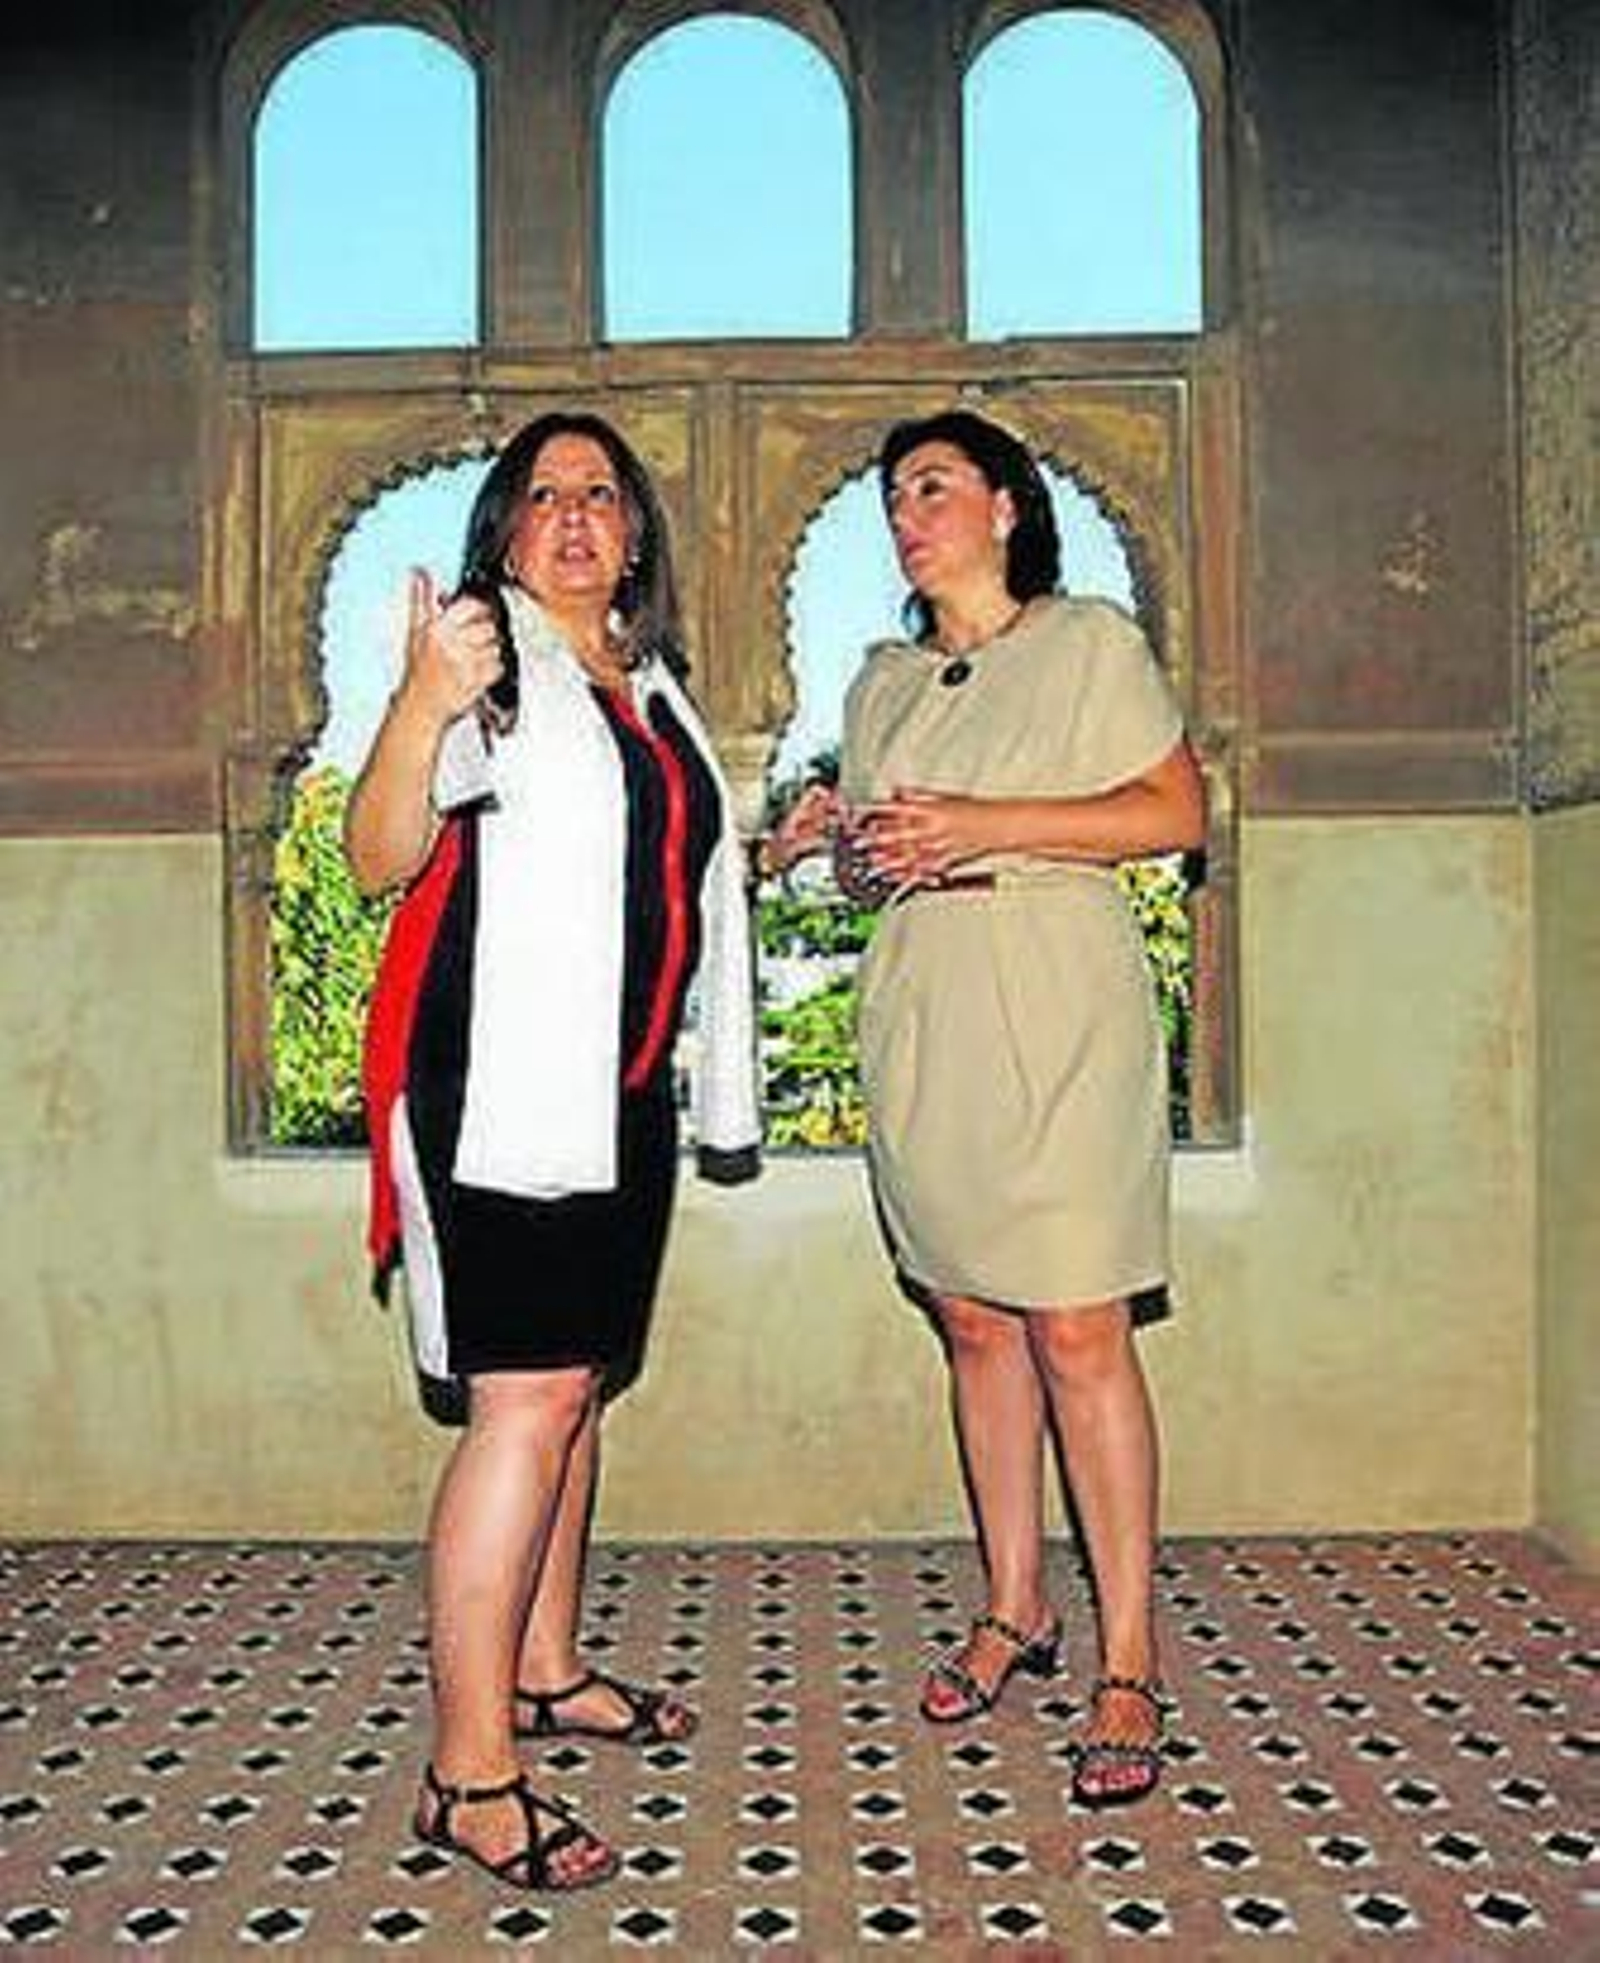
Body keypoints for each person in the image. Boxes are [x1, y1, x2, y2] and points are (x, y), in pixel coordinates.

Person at [767, 408, 1205, 1808]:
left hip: (1058, 991)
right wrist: (832, 850)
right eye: (895, 498)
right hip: (926, 1001)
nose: (908, 516)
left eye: (935, 487)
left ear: (1007, 505)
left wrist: (989, 824)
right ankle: (1017, 1605)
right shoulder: (881, 681)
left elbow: (1175, 816)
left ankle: (1129, 1658)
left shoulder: (1088, 645)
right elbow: (877, 868)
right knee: (971, 1318)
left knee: (1077, 1325)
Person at [347, 411, 760, 1890]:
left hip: (620, 1097)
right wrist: (420, 703)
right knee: (523, 1407)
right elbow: (379, 853)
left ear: (635, 533)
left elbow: (664, 874)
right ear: (507, 536)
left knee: (573, 1395)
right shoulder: (490, 668)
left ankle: (543, 1666)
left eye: (600, 492)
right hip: (496, 1094)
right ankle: (467, 1776)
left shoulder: (649, 689)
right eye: (543, 495)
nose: (575, 515)